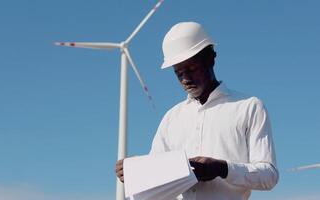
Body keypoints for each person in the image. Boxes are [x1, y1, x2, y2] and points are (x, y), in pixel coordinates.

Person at [116, 21, 279, 200]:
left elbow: (269, 176)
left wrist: (222, 168)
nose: (186, 79)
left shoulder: (249, 107)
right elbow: (156, 186)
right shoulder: (171, 118)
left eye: (191, 69)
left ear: (211, 58)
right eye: (178, 73)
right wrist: (136, 172)